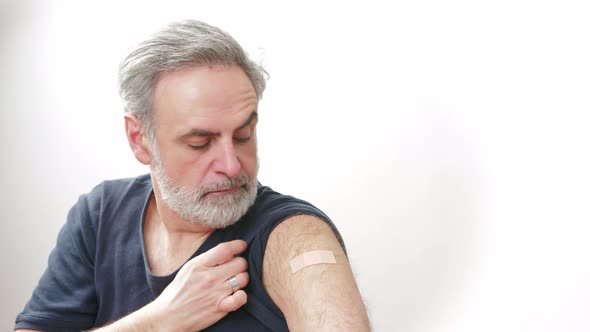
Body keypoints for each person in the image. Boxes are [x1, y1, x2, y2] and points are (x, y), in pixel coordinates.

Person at [15, 20, 370, 332]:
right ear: (140, 141)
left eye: (244, 135)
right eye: (200, 143)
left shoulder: (294, 235)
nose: (232, 166)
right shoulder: (100, 215)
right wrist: (158, 321)